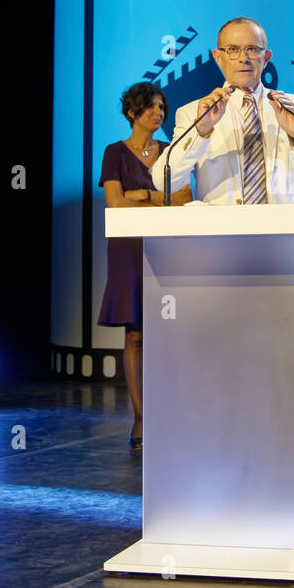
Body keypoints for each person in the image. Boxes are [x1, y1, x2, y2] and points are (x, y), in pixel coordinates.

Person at [98, 81, 191, 451]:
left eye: (161, 108)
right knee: (135, 333)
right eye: (151, 107)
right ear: (132, 113)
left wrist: (145, 195)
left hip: (167, 248)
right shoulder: (114, 153)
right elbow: (116, 205)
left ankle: (172, 413)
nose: (159, 113)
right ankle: (141, 417)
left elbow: (184, 199)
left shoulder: (171, 152)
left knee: (168, 332)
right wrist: (159, 201)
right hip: (128, 250)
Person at [149, 17, 294, 205]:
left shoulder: (292, 105)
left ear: (266, 58)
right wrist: (200, 131)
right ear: (218, 57)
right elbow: (164, 183)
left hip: (283, 229)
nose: (243, 59)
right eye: (233, 50)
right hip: (222, 230)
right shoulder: (193, 113)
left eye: (251, 49)